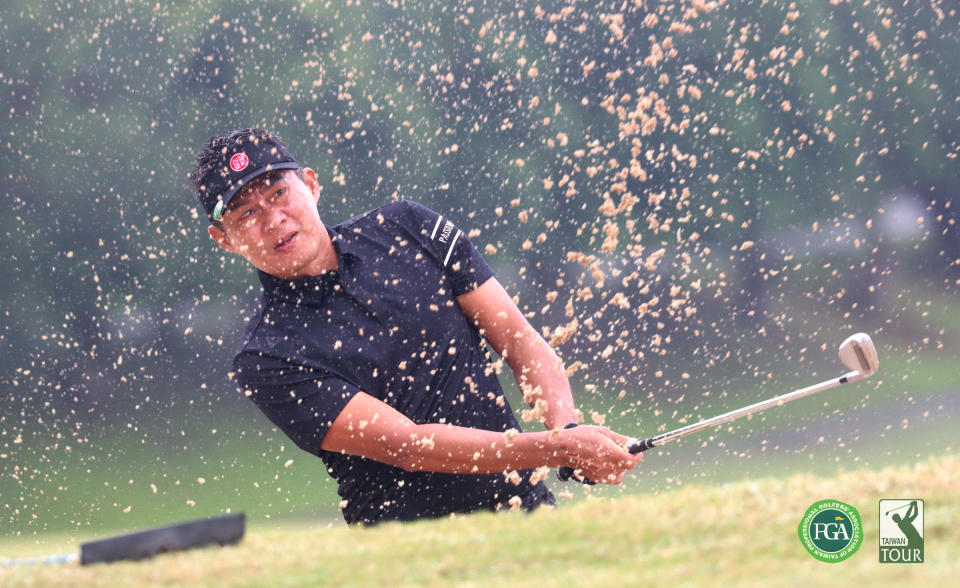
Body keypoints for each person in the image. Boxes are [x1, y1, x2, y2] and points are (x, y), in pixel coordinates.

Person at [189, 128, 642, 525]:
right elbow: (410, 445)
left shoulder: (408, 227)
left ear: (310, 184)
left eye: (278, 193)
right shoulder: (266, 355)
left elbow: (521, 343)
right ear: (224, 239)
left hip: (527, 519)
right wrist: (559, 448)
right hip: (409, 557)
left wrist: (565, 429)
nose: (273, 220)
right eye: (246, 214)